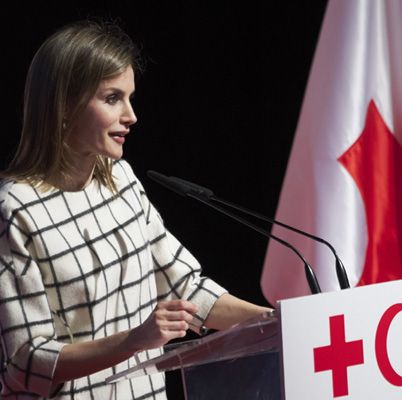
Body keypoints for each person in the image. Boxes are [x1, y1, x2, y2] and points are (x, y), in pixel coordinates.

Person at [0, 20, 271, 399]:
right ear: (63, 104)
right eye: (112, 98)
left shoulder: (119, 177)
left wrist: (277, 323)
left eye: (129, 97)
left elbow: (188, 288)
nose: (131, 115)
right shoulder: (15, 208)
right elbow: (25, 364)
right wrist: (136, 339)